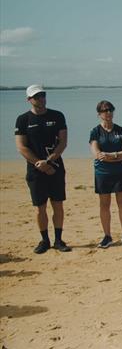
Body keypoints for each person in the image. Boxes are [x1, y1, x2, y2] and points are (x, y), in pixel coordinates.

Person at [14, 85, 71, 254]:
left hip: (56, 167)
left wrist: (50, 160)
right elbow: (21, 147)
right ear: (29, 100)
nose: (40, 99)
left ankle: (59, 240)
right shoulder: (23, 119)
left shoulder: (57, 116)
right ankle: (44, 240)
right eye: (36, 97)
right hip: (35, 170)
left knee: (58, 204)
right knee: (40, 207)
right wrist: (39, 163)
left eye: (42, 95)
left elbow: (63, 142)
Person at [89, 100, 122, 248]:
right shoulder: (95, 131)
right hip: (102, 173)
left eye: (110, 110)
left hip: (120, 172)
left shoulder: (121, 130)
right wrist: (116, 155)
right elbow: (97, 154)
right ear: (99, 114)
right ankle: (107, 236)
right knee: (104, 204)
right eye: (104, 110)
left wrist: (113, 155)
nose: (108, 113)